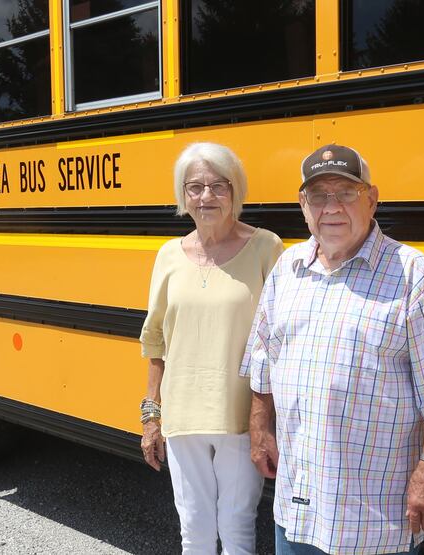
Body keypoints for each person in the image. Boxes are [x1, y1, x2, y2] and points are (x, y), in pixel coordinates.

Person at [240, 144, 424, 555]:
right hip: (298, 506)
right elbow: (264, 358)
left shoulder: (412, 274)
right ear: (303, 206)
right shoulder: (288, 269)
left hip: (376, 519)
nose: (331, 206)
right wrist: (261, 429)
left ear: (371, 199)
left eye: (346, 192)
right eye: (319, 195)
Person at [139, 142, 284, 554]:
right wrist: (151, 416)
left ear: (236, 190)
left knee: (237, 526)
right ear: (182, 195)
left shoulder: (266, 248)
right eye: (195, 187)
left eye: (218, 186)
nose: (206, 197)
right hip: (183, 415)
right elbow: (156, 340)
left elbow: (279, 337)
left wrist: (268, 419)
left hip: (241, 415)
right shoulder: (169, 255)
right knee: (195, 529)